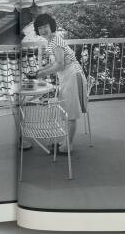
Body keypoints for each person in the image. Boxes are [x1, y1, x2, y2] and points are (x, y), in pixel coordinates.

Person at [33, 13, 87, 153]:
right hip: (69, 75)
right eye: (40, 28)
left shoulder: (55, 42)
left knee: (70, 113)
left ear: (51, 26)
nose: (43, 30)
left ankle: (68, 146)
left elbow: (61, 64)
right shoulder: (53, 41)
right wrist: (42, 69)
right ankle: (66, 141)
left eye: (45, 26)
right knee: (67, 110)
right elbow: (55, 62)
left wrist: (43, 74)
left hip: (71, 75)